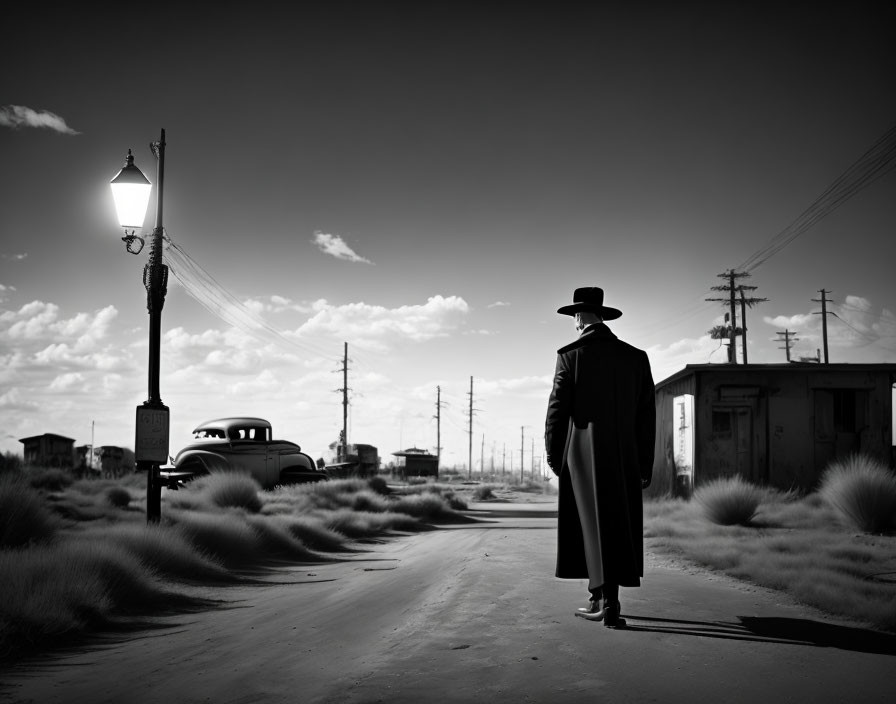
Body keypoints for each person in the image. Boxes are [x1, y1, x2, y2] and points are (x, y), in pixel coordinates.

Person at [544, 287, 655, 628]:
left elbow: (557, 411)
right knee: (615, 524)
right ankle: (607, 599)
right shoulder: (636, 357)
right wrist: (644, 464)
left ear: (579, 317)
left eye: (574, 317)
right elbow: (647, 416)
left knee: (589, 527)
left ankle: (603, 601)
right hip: (625, 454)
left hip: (581, 452)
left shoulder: (570, 355)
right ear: (603, 316)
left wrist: (553, 456)